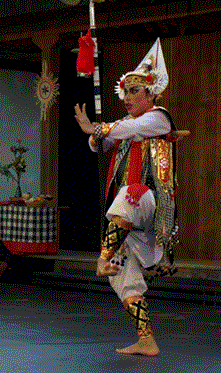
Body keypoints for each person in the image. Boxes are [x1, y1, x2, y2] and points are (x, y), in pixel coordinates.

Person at [74, 38, 179, 356]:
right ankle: (146, 338)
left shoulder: (158, 118)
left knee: (130, 193)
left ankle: (103, 257)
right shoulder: (125, 126)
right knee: (123, 279)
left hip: (150, 205)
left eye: (136, 91)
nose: (128, 96)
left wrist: (97, 128)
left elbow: (115, 132)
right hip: (125, 220)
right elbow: (97, 145)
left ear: (152, 94)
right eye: (126, 91)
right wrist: (96, 132)